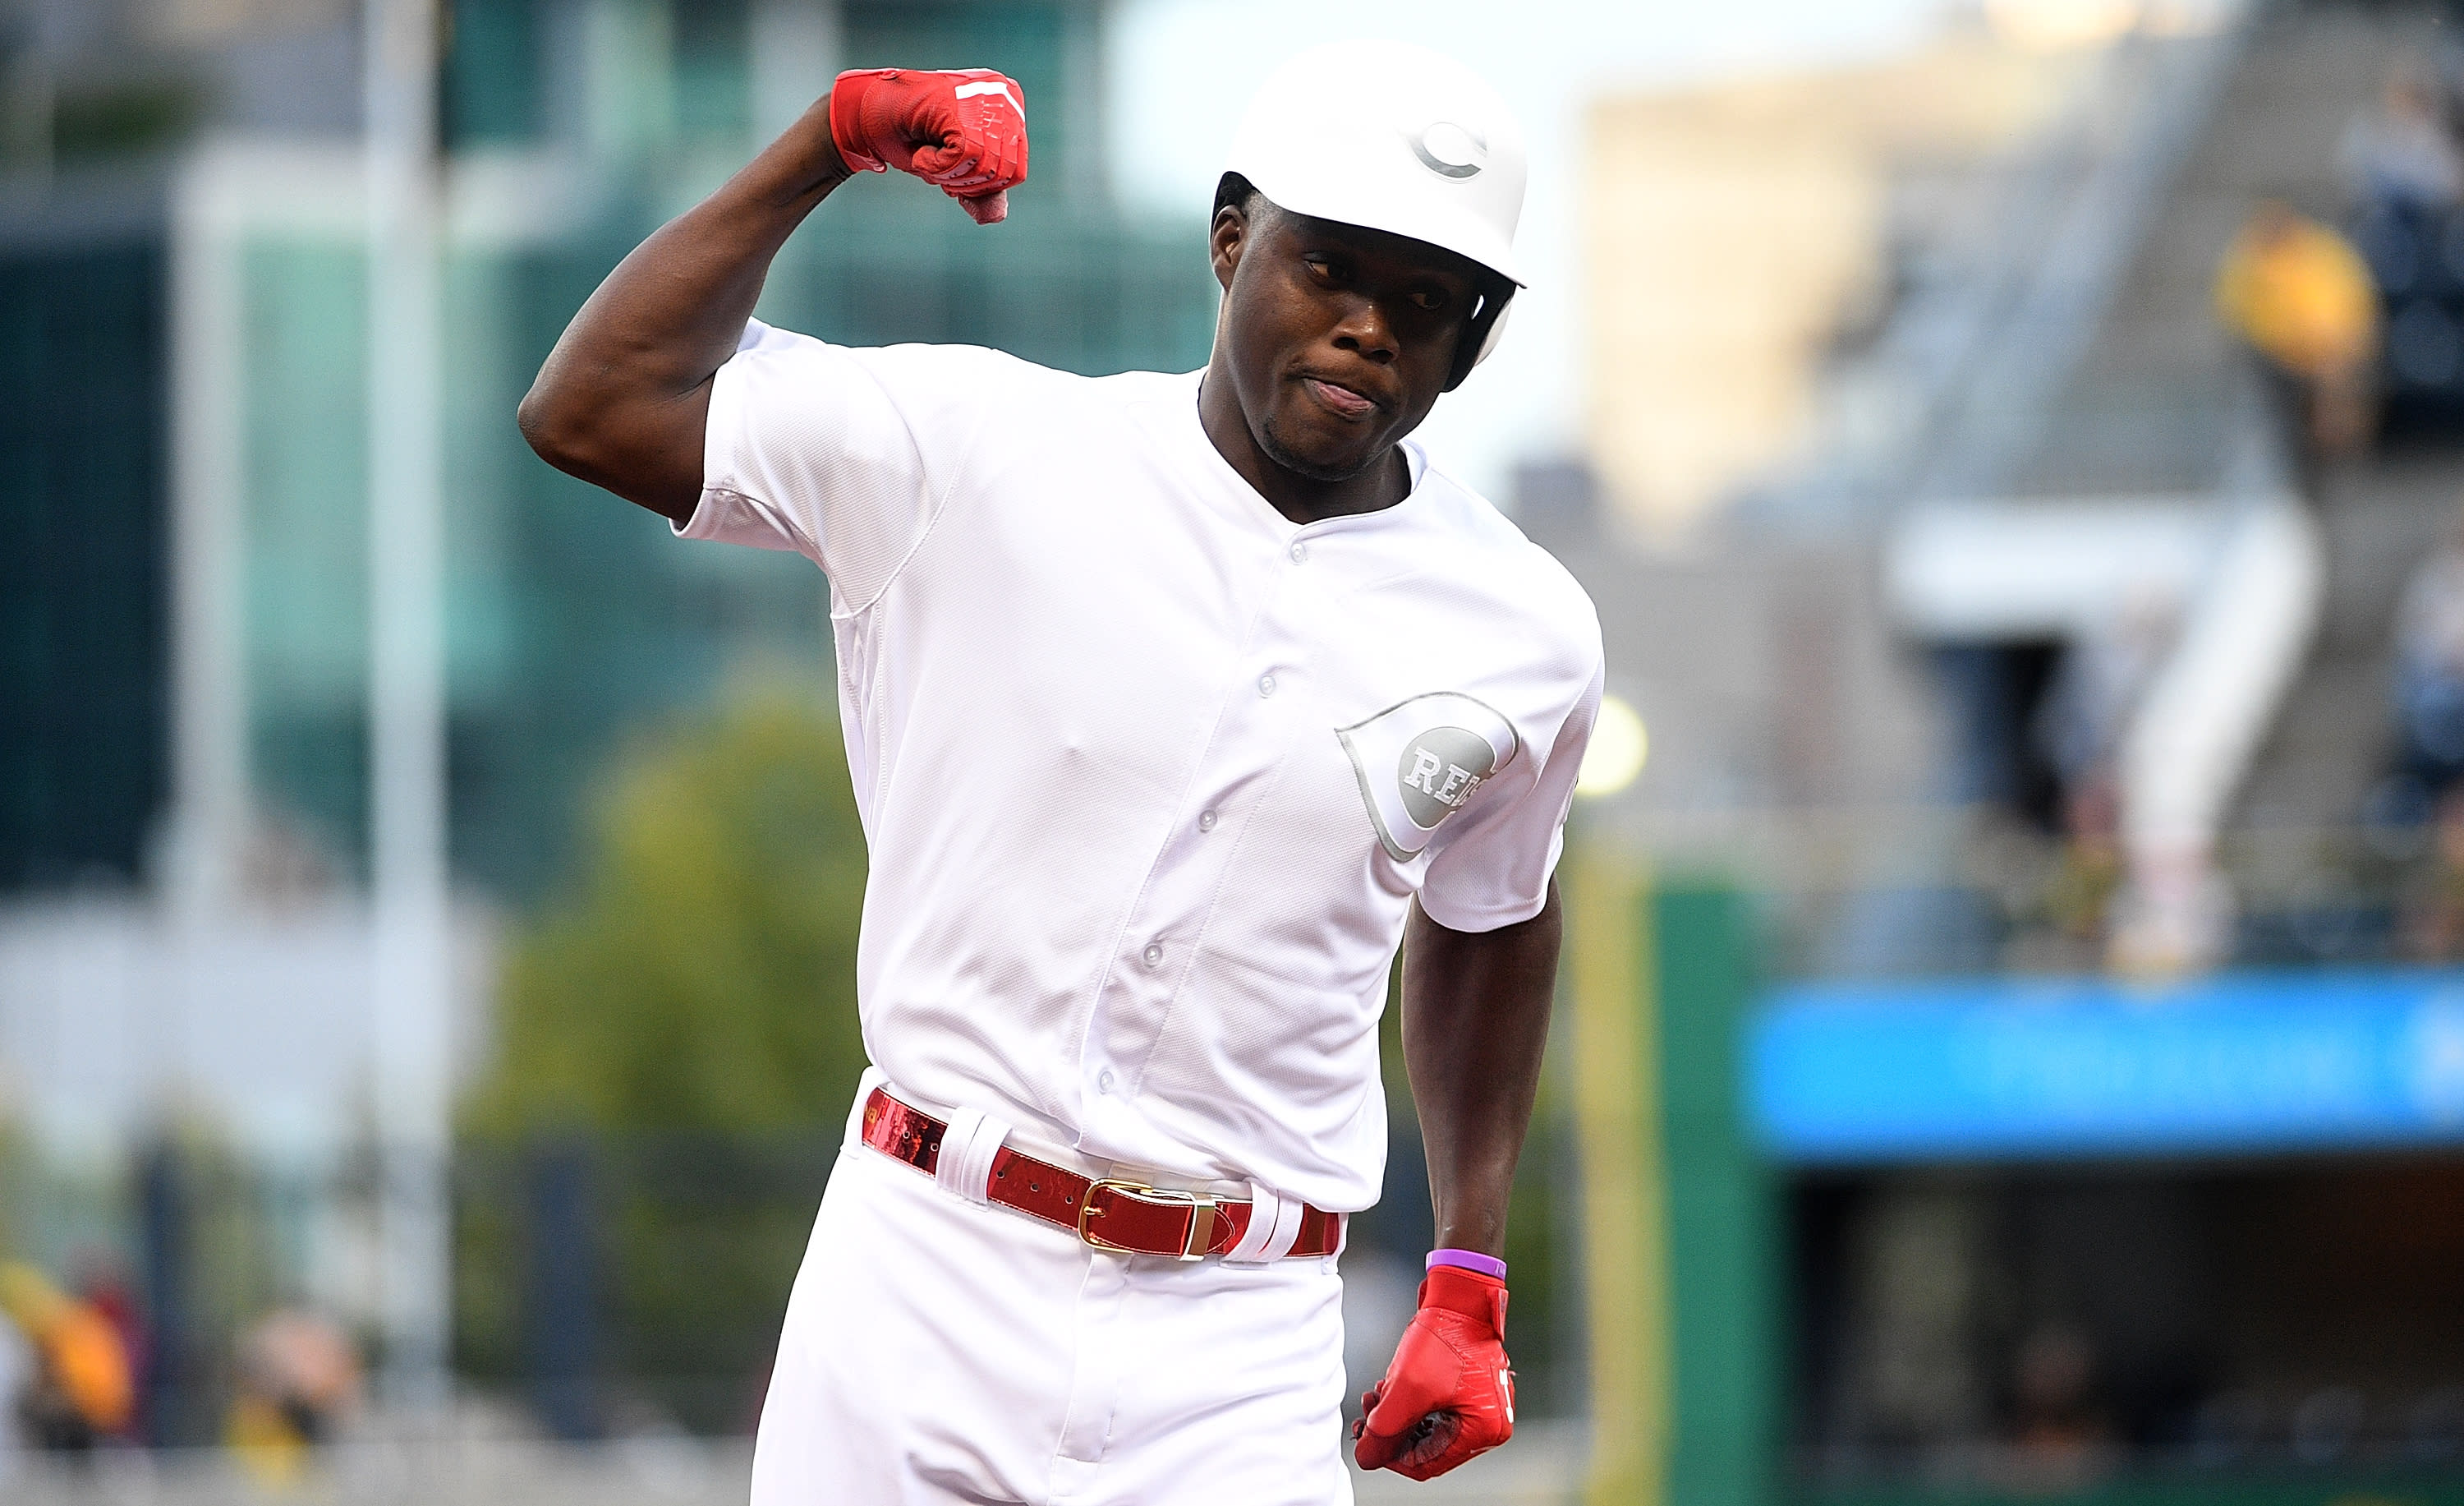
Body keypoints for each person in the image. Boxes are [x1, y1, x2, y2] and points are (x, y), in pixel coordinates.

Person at [518, 39, 1601, 1504]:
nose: (1366, 329)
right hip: (927, 1263)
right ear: (1232, 241)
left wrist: (1469, 1264)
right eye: (1329, 268)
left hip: (1242, 1332)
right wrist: (827, 141)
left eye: (1426, 304)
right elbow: (593, 404)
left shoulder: (1527, 630)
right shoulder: (980, 446)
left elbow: (1495, 913)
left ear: (1474, 341)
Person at [2213, 200, 2380, 486]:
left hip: (2336, 354)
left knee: (2346, 378)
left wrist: (2339, 345)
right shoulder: (2249, 265)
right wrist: (2300, 350)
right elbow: (2248, 319)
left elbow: (2354, 299)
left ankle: (2343, 450)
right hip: (2286, 364)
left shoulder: (2323, 251)